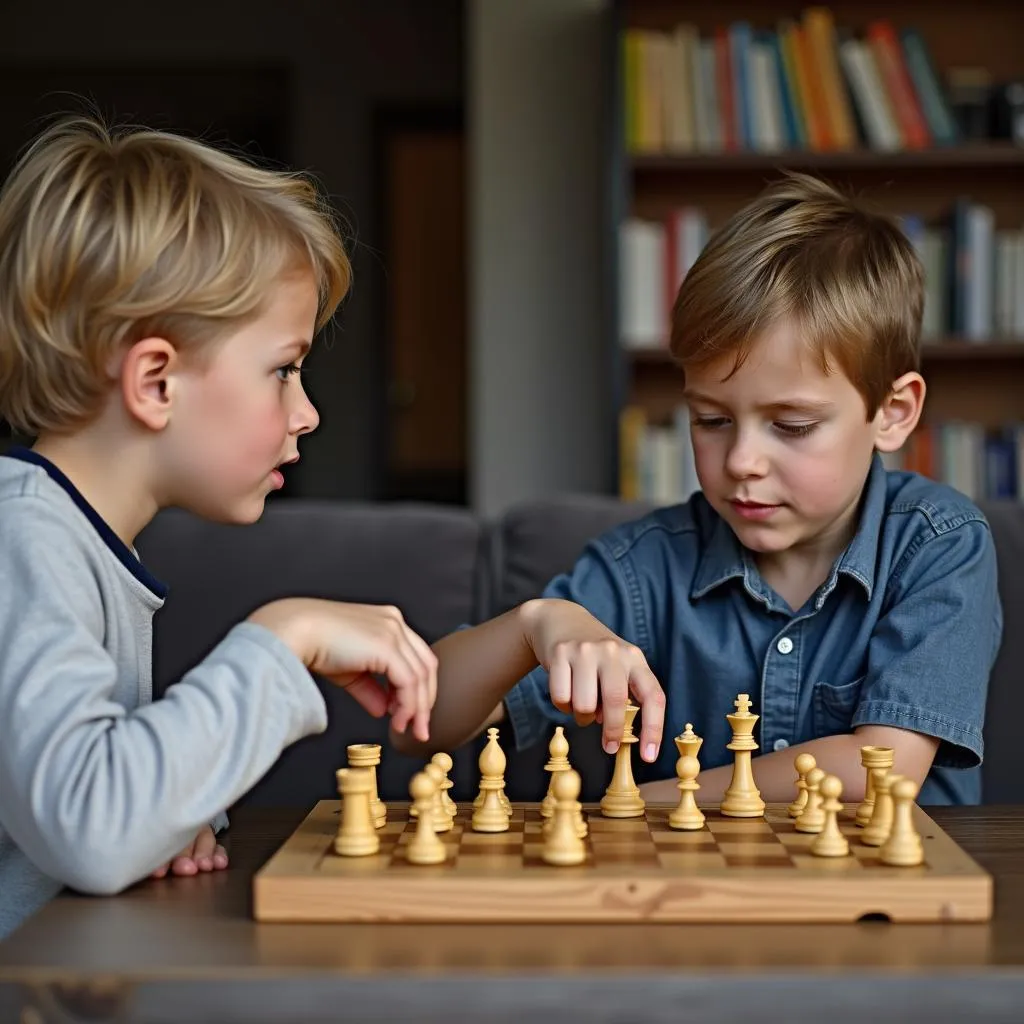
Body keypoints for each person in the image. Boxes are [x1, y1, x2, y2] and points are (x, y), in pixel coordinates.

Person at [397, 172, 1002, 809]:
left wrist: (642, 804)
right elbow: (420, 724)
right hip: (690, 900)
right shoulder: (643, 570)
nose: (741, 460)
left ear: (892, 412)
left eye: (791, 426)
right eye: (711, 420)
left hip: (891, 901)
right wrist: (533, 625)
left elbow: (881, 769)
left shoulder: (939, 546)